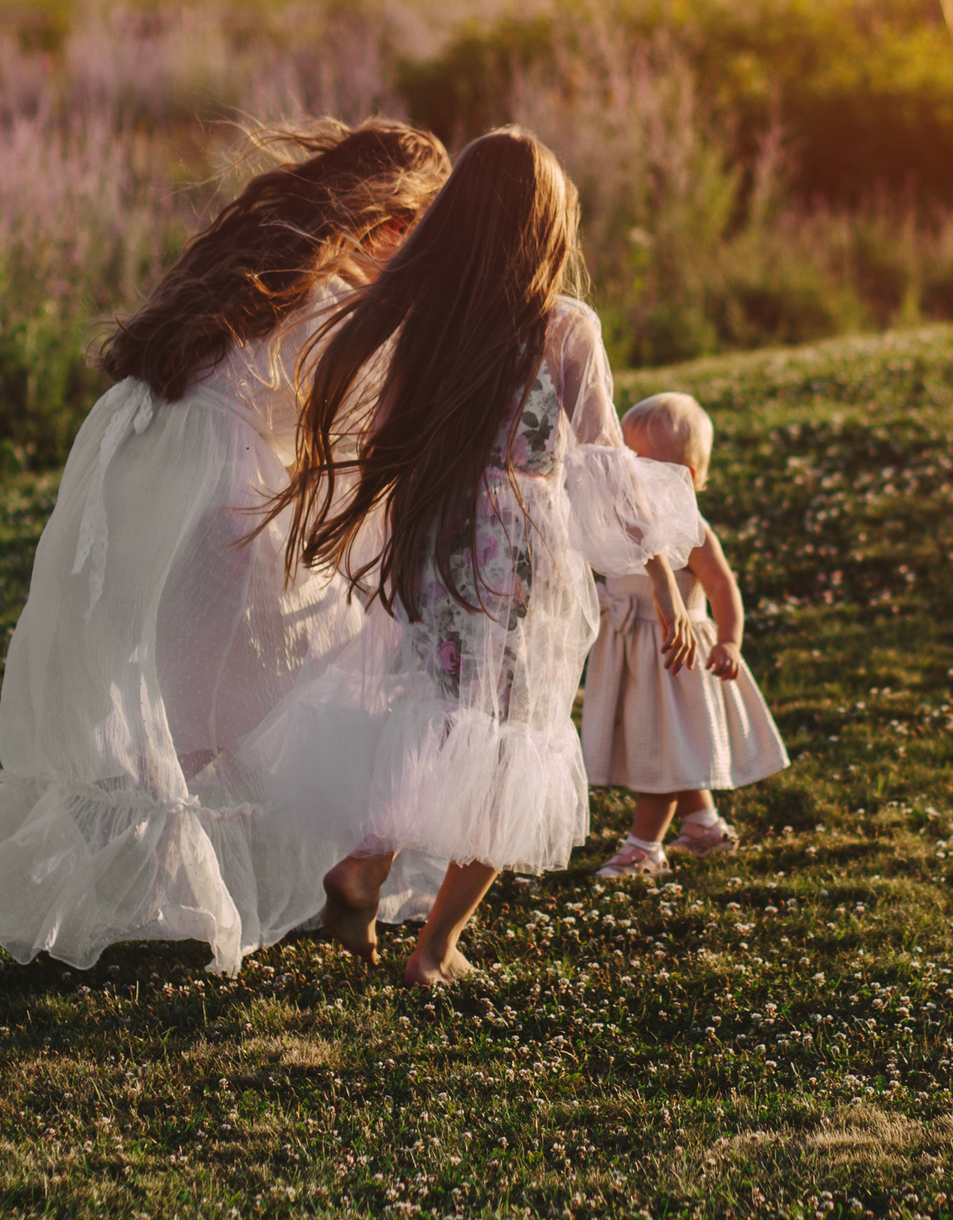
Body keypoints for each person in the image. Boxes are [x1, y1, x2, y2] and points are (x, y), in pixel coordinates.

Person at [0, 121, 452, 974]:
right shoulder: (333, 300)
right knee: (306, 657)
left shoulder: (255, 261)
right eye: (423, 238)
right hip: (217, 490)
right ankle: (332, 860)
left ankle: (134, 883)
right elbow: (359, 445)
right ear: (392, 227)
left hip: (136, 468)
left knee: (169, 695)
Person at [234, 127, 703, 985]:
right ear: (545, 229)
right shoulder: (565, 327)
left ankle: (365, 866)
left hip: (435, 536)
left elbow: (381, 430)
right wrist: (667, 583)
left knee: (432, 713)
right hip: (520, 559)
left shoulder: (431, 320)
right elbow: (607, 468)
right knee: (511, 739)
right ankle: (436, 947)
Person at [582, 391, 790, 881]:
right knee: (659, 742)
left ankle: (645, 847)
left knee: (662, 750)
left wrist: (731, 641)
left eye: (649, 467)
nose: (632, 476)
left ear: (689, 479)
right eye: (627, 462)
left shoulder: (690, 529)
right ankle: (704, 825)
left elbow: (722, 584)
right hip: (631, 653)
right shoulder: (621, 521)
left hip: (672, 658)